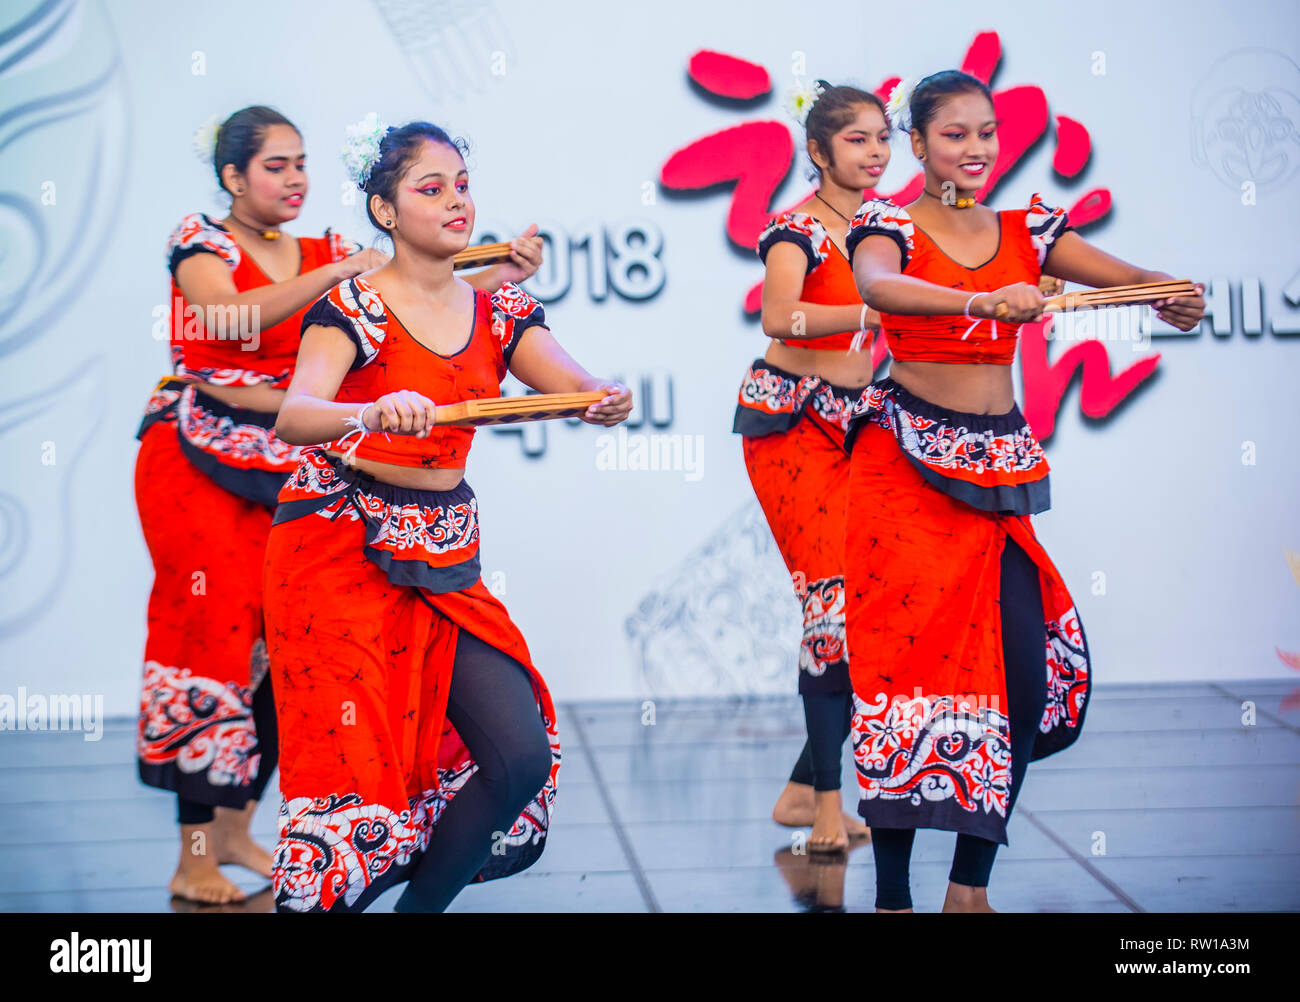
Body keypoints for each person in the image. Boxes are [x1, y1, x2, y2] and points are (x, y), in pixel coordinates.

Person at [135, 105, 540, 905]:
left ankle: (240, 830)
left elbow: (420, 289)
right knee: (213, 645)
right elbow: (228, 318)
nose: (294, 179)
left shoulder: (326, 250)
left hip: (295, 473)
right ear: (231, 178)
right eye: (275, 166)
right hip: (200, 462)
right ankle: (193, 857)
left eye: (300, 163)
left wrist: (499, 271)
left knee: (288, 659)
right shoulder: (205, 244)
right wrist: (338, 274)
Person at [843, 70, 1205, 911]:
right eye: (954, 135)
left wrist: (1166, 295)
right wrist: (981, 298)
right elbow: (876, 287)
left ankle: (968, 889)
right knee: (903, 681)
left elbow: (1123, 276)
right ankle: (893, 897)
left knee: (1023, 676)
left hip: (996, 477)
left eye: (986, 133)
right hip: (902, 473)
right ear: (921, 143)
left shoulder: (1027, 229)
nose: (974, 150)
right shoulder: (886, 224)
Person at [264, 118, 632, 912]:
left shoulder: (497, 309)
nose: (455, 200)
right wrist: (367, 414)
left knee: (517, 757)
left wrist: (600, 398)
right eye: (430, 189)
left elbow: (560, 376)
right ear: (385, 211)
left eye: (461, 184)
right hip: (337, 556)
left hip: (441, 558)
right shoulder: (351, 308)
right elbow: (295, 415)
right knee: (354, 788)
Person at [732, 81, 888, 851]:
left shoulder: (893, 228)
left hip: (860, 426)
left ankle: (800, 790)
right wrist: (874, 308)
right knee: (830, 607)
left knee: (870, 605)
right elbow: (779, 315)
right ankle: (828, 809)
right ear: (819, 153)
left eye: (883, 138)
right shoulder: (794, 230)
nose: (876, 152)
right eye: (857, 139)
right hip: (790, 425)